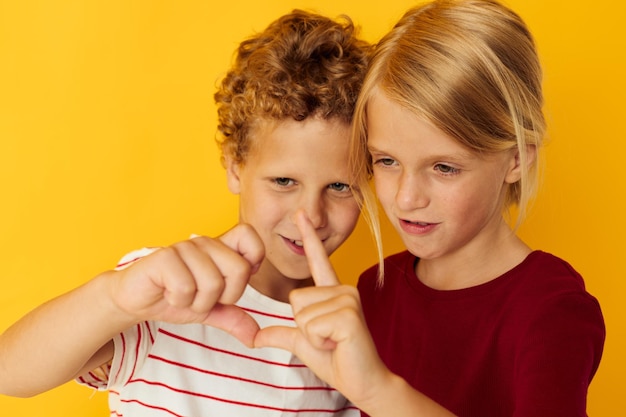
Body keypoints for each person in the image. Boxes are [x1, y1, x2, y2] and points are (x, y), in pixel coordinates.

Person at [0, 9, 375, 416]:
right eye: (283, 182)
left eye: (340, 187)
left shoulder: (354, 331)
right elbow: (10, 373)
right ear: (234, 166)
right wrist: (115, 298)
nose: (311, 217)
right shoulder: (169, 286)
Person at [254, 1, 606, 416]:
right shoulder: (373, 292)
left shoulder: (552, 309)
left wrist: (378, 390)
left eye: (443, 168)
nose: (406, 198)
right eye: (386, 161)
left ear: (515, 160)